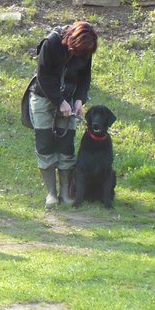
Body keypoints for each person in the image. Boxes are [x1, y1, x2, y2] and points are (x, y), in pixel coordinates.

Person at [29, 21, 97, 208]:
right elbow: (43, 77)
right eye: (76, 51)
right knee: (44, 144)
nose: (78, 55)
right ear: (70, 40)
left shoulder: (86, 49)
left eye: (83, 53)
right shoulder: (51, 43)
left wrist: (79, 100)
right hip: (43, 97)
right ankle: (51, 193)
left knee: (66, 146)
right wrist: (59, 102)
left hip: (69, 98)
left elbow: (85, 77)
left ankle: (65, 193)